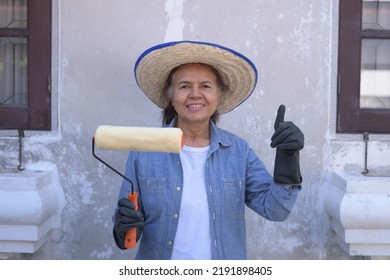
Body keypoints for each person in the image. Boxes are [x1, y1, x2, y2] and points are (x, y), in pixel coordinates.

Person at [113, 41, 304, 260]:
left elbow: (276, 210)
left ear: (218, 95)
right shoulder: (144, 151)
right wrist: (122, 228)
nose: (195, 94)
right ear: (171, 96)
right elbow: (127, 230)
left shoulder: (238, 152)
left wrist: (288, 158)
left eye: (205, 86)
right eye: (184, 86)